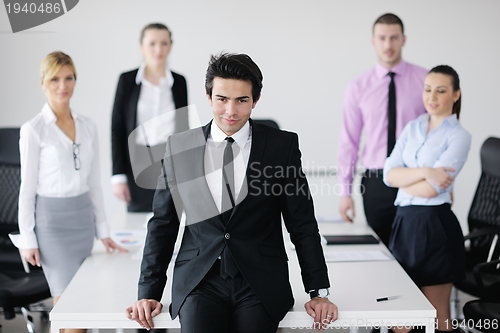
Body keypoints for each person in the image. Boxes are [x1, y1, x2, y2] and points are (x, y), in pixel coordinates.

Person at [126, 53, 338, 332]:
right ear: (208, 95)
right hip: (199, 281)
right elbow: (163, 223)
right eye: (222, 99)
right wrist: (148, 291)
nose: (231, 111)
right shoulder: (179, 147)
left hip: (259, 280)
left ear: (256, 100)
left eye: (242, 100)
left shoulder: (281, 146)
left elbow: (302, 224)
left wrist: (318, 291)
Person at [11, 51, 126, 333]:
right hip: (53, 229)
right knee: (73, 316)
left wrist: (103, 230)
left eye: (69, 78)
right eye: (55, 79)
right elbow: (27, 188)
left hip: (83, 225)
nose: (63, 86)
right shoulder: (34, 130)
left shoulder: (87, 126)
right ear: (43, 84)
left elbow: (94, 183)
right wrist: (28, 238)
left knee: (83, 313)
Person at [383, 65, 470, 333]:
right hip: (405, 224)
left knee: (437, 317)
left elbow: (432, 190)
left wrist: (406, 179)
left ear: (455, 95)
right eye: (428, 89)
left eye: (441, 91)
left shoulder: (459, 136)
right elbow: (388, 175)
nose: (432, 97)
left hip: (435, 227)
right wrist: (426, 172)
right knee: (401, 319)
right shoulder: (412, 127)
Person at [337, 13, 428, 246]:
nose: (388, 44)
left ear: (404, 39)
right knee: (382, 249)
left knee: (415, 249)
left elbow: (437, 132)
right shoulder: (358, 87)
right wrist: (344, 192)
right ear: (373, 41)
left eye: (394, 37)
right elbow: (349, 141)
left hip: (414, 177)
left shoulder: (425, 81)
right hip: (376, 181)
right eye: (383, 38)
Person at [111, 23, 189, 212]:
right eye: (152, 43)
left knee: (169, 220)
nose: (158, 49)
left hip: (169, 163)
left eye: (164, 43)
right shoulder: (127, 80)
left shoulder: (179, 82)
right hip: (137, 163)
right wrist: (118, 175)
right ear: (141, 46)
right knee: (137, 223)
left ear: (170, 45)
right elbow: (117, 128)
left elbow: (184, 128)